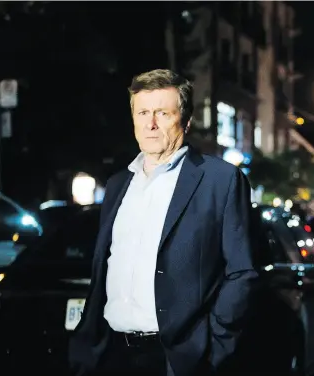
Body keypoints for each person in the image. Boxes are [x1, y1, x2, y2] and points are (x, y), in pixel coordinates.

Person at [68, 69, 258, 376]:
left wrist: (214, 347)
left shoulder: (219, 180)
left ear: (185, 120)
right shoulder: (118, 184)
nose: (150, 123)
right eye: (142, 112)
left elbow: (242, 272)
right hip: (110, 354)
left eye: (162, 113)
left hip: (178, 358)